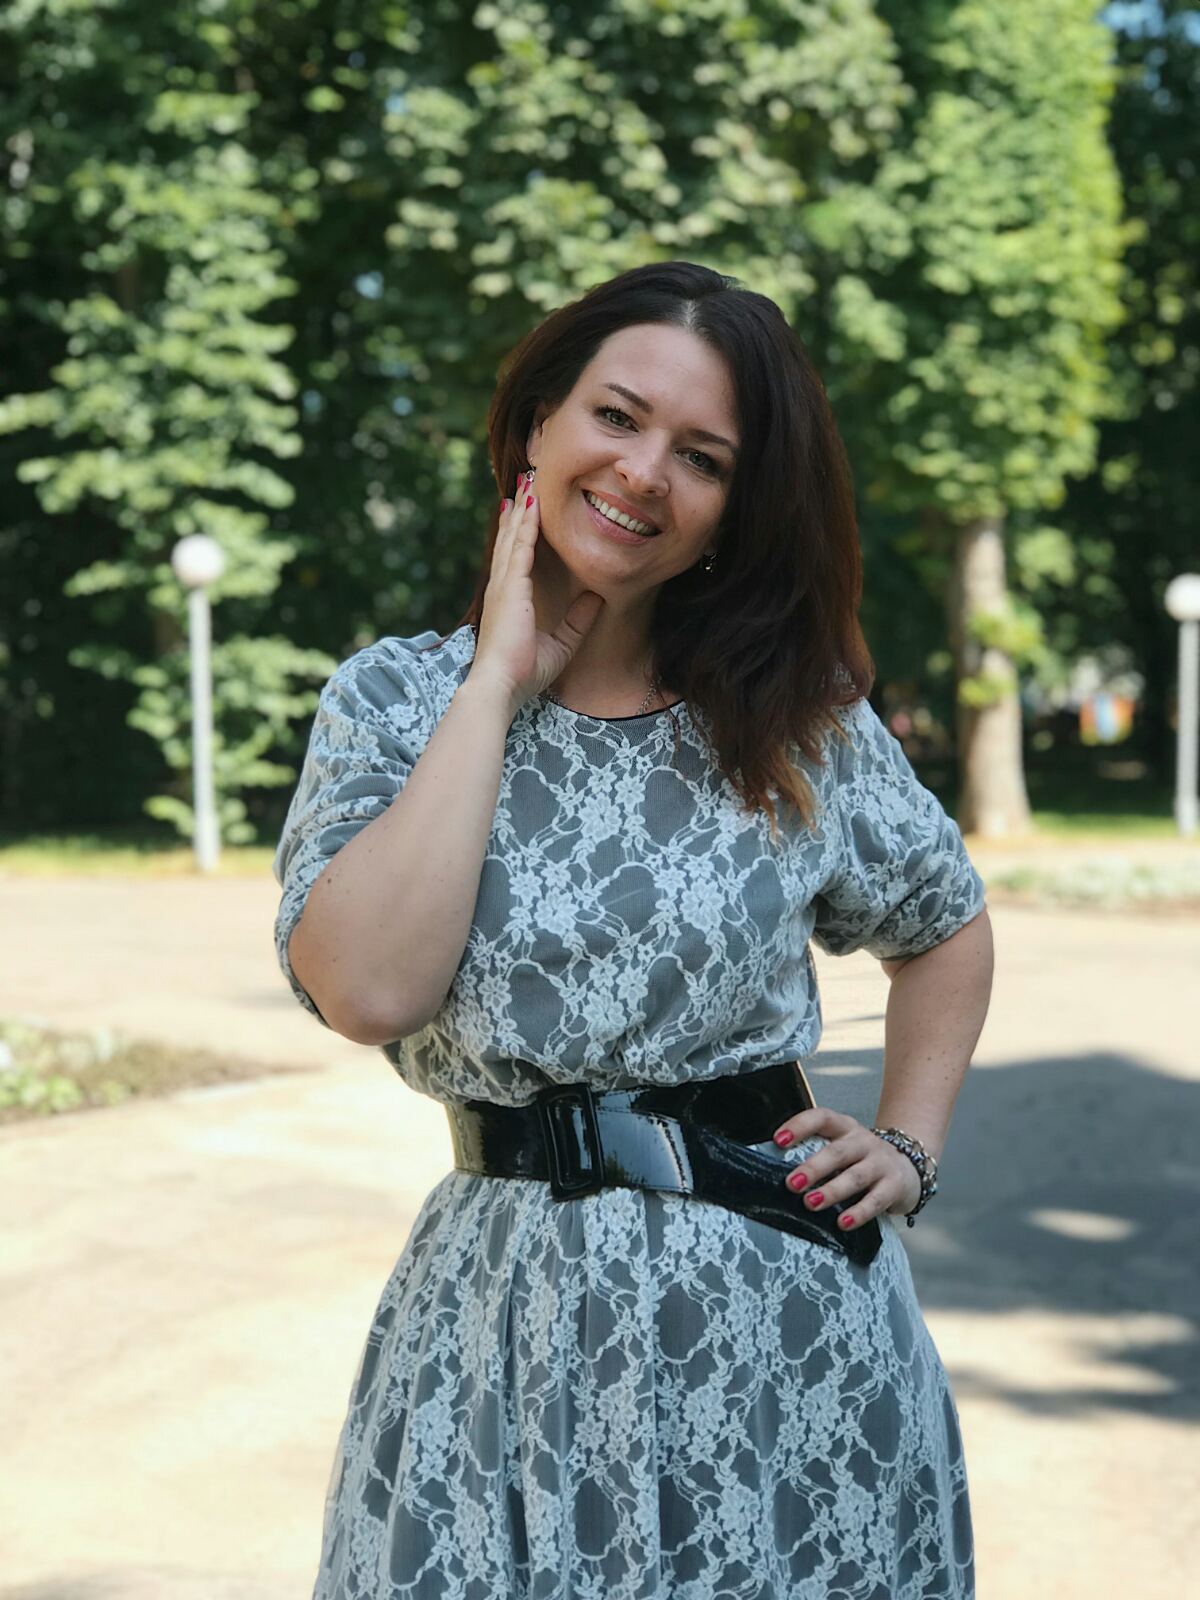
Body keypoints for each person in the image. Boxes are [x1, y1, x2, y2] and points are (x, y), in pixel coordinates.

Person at [272, 260, 994, 1600]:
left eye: (703, 458)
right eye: (616, 416)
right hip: (500, 1330)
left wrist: (907, 1145)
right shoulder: (394, 702)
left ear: (730, 512)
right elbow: (369, 988)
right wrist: (497, 681)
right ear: (536, 426)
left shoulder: (796, 721)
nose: (646, 473)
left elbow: (945, 924)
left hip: (781, 1332)